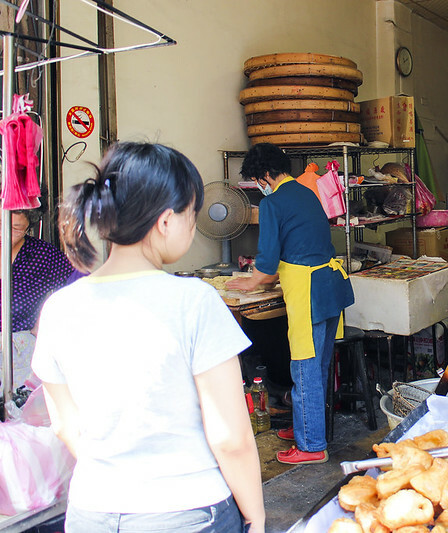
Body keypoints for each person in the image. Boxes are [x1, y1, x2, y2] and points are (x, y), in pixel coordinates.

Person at [32, 142, 265, 533]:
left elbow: (65, 426)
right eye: (192, 216)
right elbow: (230, 437)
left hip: (92, 511)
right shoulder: (193, 301)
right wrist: (255, 515)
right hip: (187, 512)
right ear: (166, 221)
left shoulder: (59, 307)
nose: (193, 227)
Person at [227, 143, 354, 466]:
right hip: (330, 287)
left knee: (304, 368)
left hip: (308, 292)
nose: (260, 186)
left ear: (266, 175)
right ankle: (308, 427)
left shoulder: (274, 203)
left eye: (258, 180)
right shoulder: (305, 193)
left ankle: (311, 445)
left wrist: (251, 280)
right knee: (319, 366)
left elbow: (268, 266)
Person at [0, 209, 77, 385]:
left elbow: (74, 289)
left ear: (28, 228)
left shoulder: (42, 255)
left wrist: (44, 320)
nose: (5, 233)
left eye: (16, 228)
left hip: (22, 352)